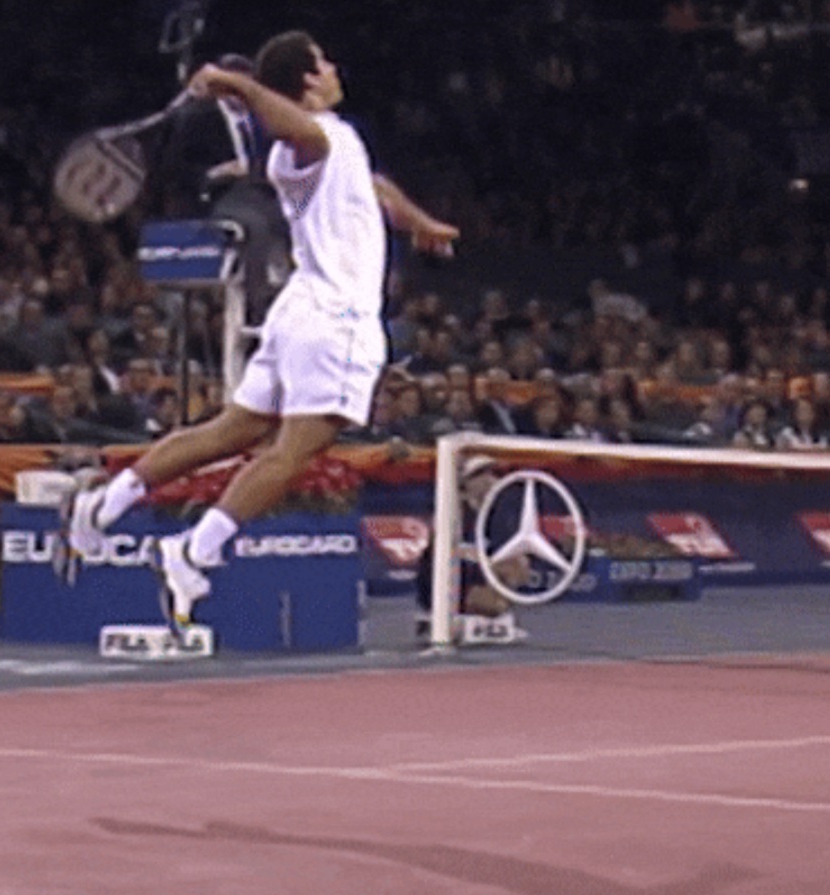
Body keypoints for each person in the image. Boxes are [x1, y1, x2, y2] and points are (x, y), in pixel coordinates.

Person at [65, 31, 459, 633]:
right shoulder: (303, 141)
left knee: (234, 429)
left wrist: (420, 223)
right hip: (335, 319)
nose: (334, 66)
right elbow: (294, 127)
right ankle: (194, 552)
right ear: (307, 80)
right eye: (323, 61)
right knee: (295, 451)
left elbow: (372, 187)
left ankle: (103, 504)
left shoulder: (336, 141)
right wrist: (237, 85)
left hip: (299, 312)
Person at [415, 456, 529, 642]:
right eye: (480, 475)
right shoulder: (450, 512)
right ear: (465, 483)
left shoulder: (496, 516)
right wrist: (488, 563)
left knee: (517, 565)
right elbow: (442, 553)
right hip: (448, 584)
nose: (490, 480)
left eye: (493, 473)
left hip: (476, 576)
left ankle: (489, 618)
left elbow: (506, 555)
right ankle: (444, 618)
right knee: (490, 594)